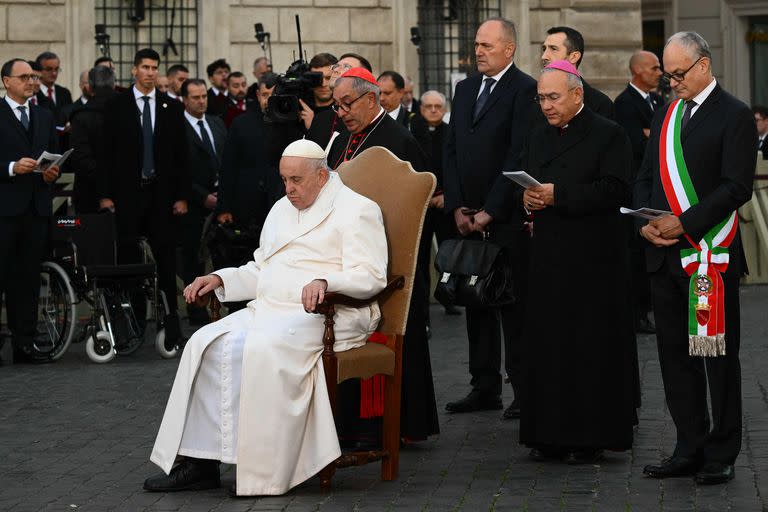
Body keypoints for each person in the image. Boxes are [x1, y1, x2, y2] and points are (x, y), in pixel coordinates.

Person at [144, 139, 388, 496]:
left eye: (296, 181)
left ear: (322, 176)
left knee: (263, 347)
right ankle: (200, 462)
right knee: (205, 343)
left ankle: (266, 469)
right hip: (273, 307)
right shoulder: (281, 208)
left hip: (332, 312)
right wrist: (221, 278)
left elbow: (371, 275)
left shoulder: (357, 210)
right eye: (284, 180)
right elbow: (263, 269)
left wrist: (326, 281)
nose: (288, 189)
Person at [636, 32, 757, 485]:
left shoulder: (735, 115)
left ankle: (721, 451)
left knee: (713, 355)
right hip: (664, 259)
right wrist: (644, 223)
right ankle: (689, 444)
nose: (672, 83)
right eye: (667, 76)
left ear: (704, 65)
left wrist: (683, 224)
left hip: (709, 258)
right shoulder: (667, 112)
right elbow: (645, 177)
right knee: (674, 358)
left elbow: (735, 186)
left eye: (679, 74)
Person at [517, 60, 636, 463]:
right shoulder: (537, 135)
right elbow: (533, 181)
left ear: (577, 94)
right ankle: (547, 434)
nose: (546, 106)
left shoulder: (609, 133)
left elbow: (616, 190)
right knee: (548, 346)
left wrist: (558, 196)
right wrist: (529, 197)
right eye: (541, 98)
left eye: (553, 97)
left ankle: (589, 436)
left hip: (593, 259)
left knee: (587, 348)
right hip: (549, 256)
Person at [327, 67, 438, 445]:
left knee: (392, 336)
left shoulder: (397, 139)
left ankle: (396, 424)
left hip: (390, 257)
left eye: (346, 103)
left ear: (371, 99)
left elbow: (419, 202)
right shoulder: (345, 138)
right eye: (336, 105)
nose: (340, 112)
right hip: (352, 253)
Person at [443, 17, 536, 420]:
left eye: (487, 45)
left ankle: (524, 389)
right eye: (477, 45)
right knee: (473, 301)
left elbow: (517, 155)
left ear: (509, 49)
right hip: (468, 215)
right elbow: (451, 151)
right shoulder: (463, 90)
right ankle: (484, 386)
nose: (478, 51)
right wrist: (459, 207)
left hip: (506, 218)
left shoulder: (525, 90)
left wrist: (490, 211)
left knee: (511, 305)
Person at [98, 48, 190, 351]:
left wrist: (181, 197)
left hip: (161, 197)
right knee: (129, 261)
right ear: (134, 70)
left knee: (165, 260)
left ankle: (170, 325)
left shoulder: (171, 107)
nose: (150, 72)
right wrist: (106, 195)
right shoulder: (116, 106)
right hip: (127, 197)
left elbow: (181, 156)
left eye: (155, 67)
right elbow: (106, 156)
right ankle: (131, 325)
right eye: (145, 67)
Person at [0, 58, 60, 363]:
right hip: (4, 210)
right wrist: (11, 167)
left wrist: (51, 172)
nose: (30, 82)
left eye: (33, 77)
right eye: (24, 77)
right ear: (6, 81)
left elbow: (54, 156)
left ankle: (24, 342)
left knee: (27, 279)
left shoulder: (44, 115)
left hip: (35, 208)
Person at [615, 50, 664, 335]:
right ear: (637, 71)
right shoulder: (624, 104)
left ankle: (648, 307)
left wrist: (651, 134)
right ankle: (637, 313)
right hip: (636, 190)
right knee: (637, 253)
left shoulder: (658, 101)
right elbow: (636, 145)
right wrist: (649, 137)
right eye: (654, 67)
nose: (659, 72)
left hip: (657, 188)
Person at [409, 90, 460, 316]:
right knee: (420, 259)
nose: (432, 110)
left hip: (444, 204)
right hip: (420, 204)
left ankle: (448, 297)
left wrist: (446, 195)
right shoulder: (411, 134)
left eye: (437, 107)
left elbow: (458, 169)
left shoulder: (452, 134)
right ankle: (424, 313)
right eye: (428, 106)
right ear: (421, 110)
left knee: (448, 255)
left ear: (444, 110)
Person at [180, 78, 226, 325]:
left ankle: (219, 307)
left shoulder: (216, 123)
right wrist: (200, 196)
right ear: (185, 100)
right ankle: (196, 311)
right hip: (193, 204)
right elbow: (176, 169)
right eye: (196, 97)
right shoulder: (178, 128)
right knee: (193, 259)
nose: (201, 101)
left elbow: (227, 158)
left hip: (220, 201)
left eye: (204, 96)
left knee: (219, 256)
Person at [69, 66, 118, 214]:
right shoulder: (129, 110)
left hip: (89, 193)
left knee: (89, 235)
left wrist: (103, 192)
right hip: (125, 190)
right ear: (114, 84)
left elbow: (80, 158)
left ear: (90, 87)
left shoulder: (80, 116)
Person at [541, 26, 614, 119]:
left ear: (574, 57)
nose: (544, 56)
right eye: (544, 49)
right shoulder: (531, 99)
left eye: (553, 49)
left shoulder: (599, 104)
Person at [306, 53, 372, 150]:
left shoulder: (374, 122)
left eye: (346, 67)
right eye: (336, 66)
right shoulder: (321, 119)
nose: (336, 70)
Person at [297, 53, 338, 131]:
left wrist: (314, 126)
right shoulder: (299, 107)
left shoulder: (342, 111)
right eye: (317, 78)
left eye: (328, 78)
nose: (323, 84)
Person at [35, 51, 73, 117]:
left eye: (56, 69)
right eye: (49, 69)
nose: (54, 73)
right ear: (39, 71)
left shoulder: (65, 93)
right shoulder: (34, 94)